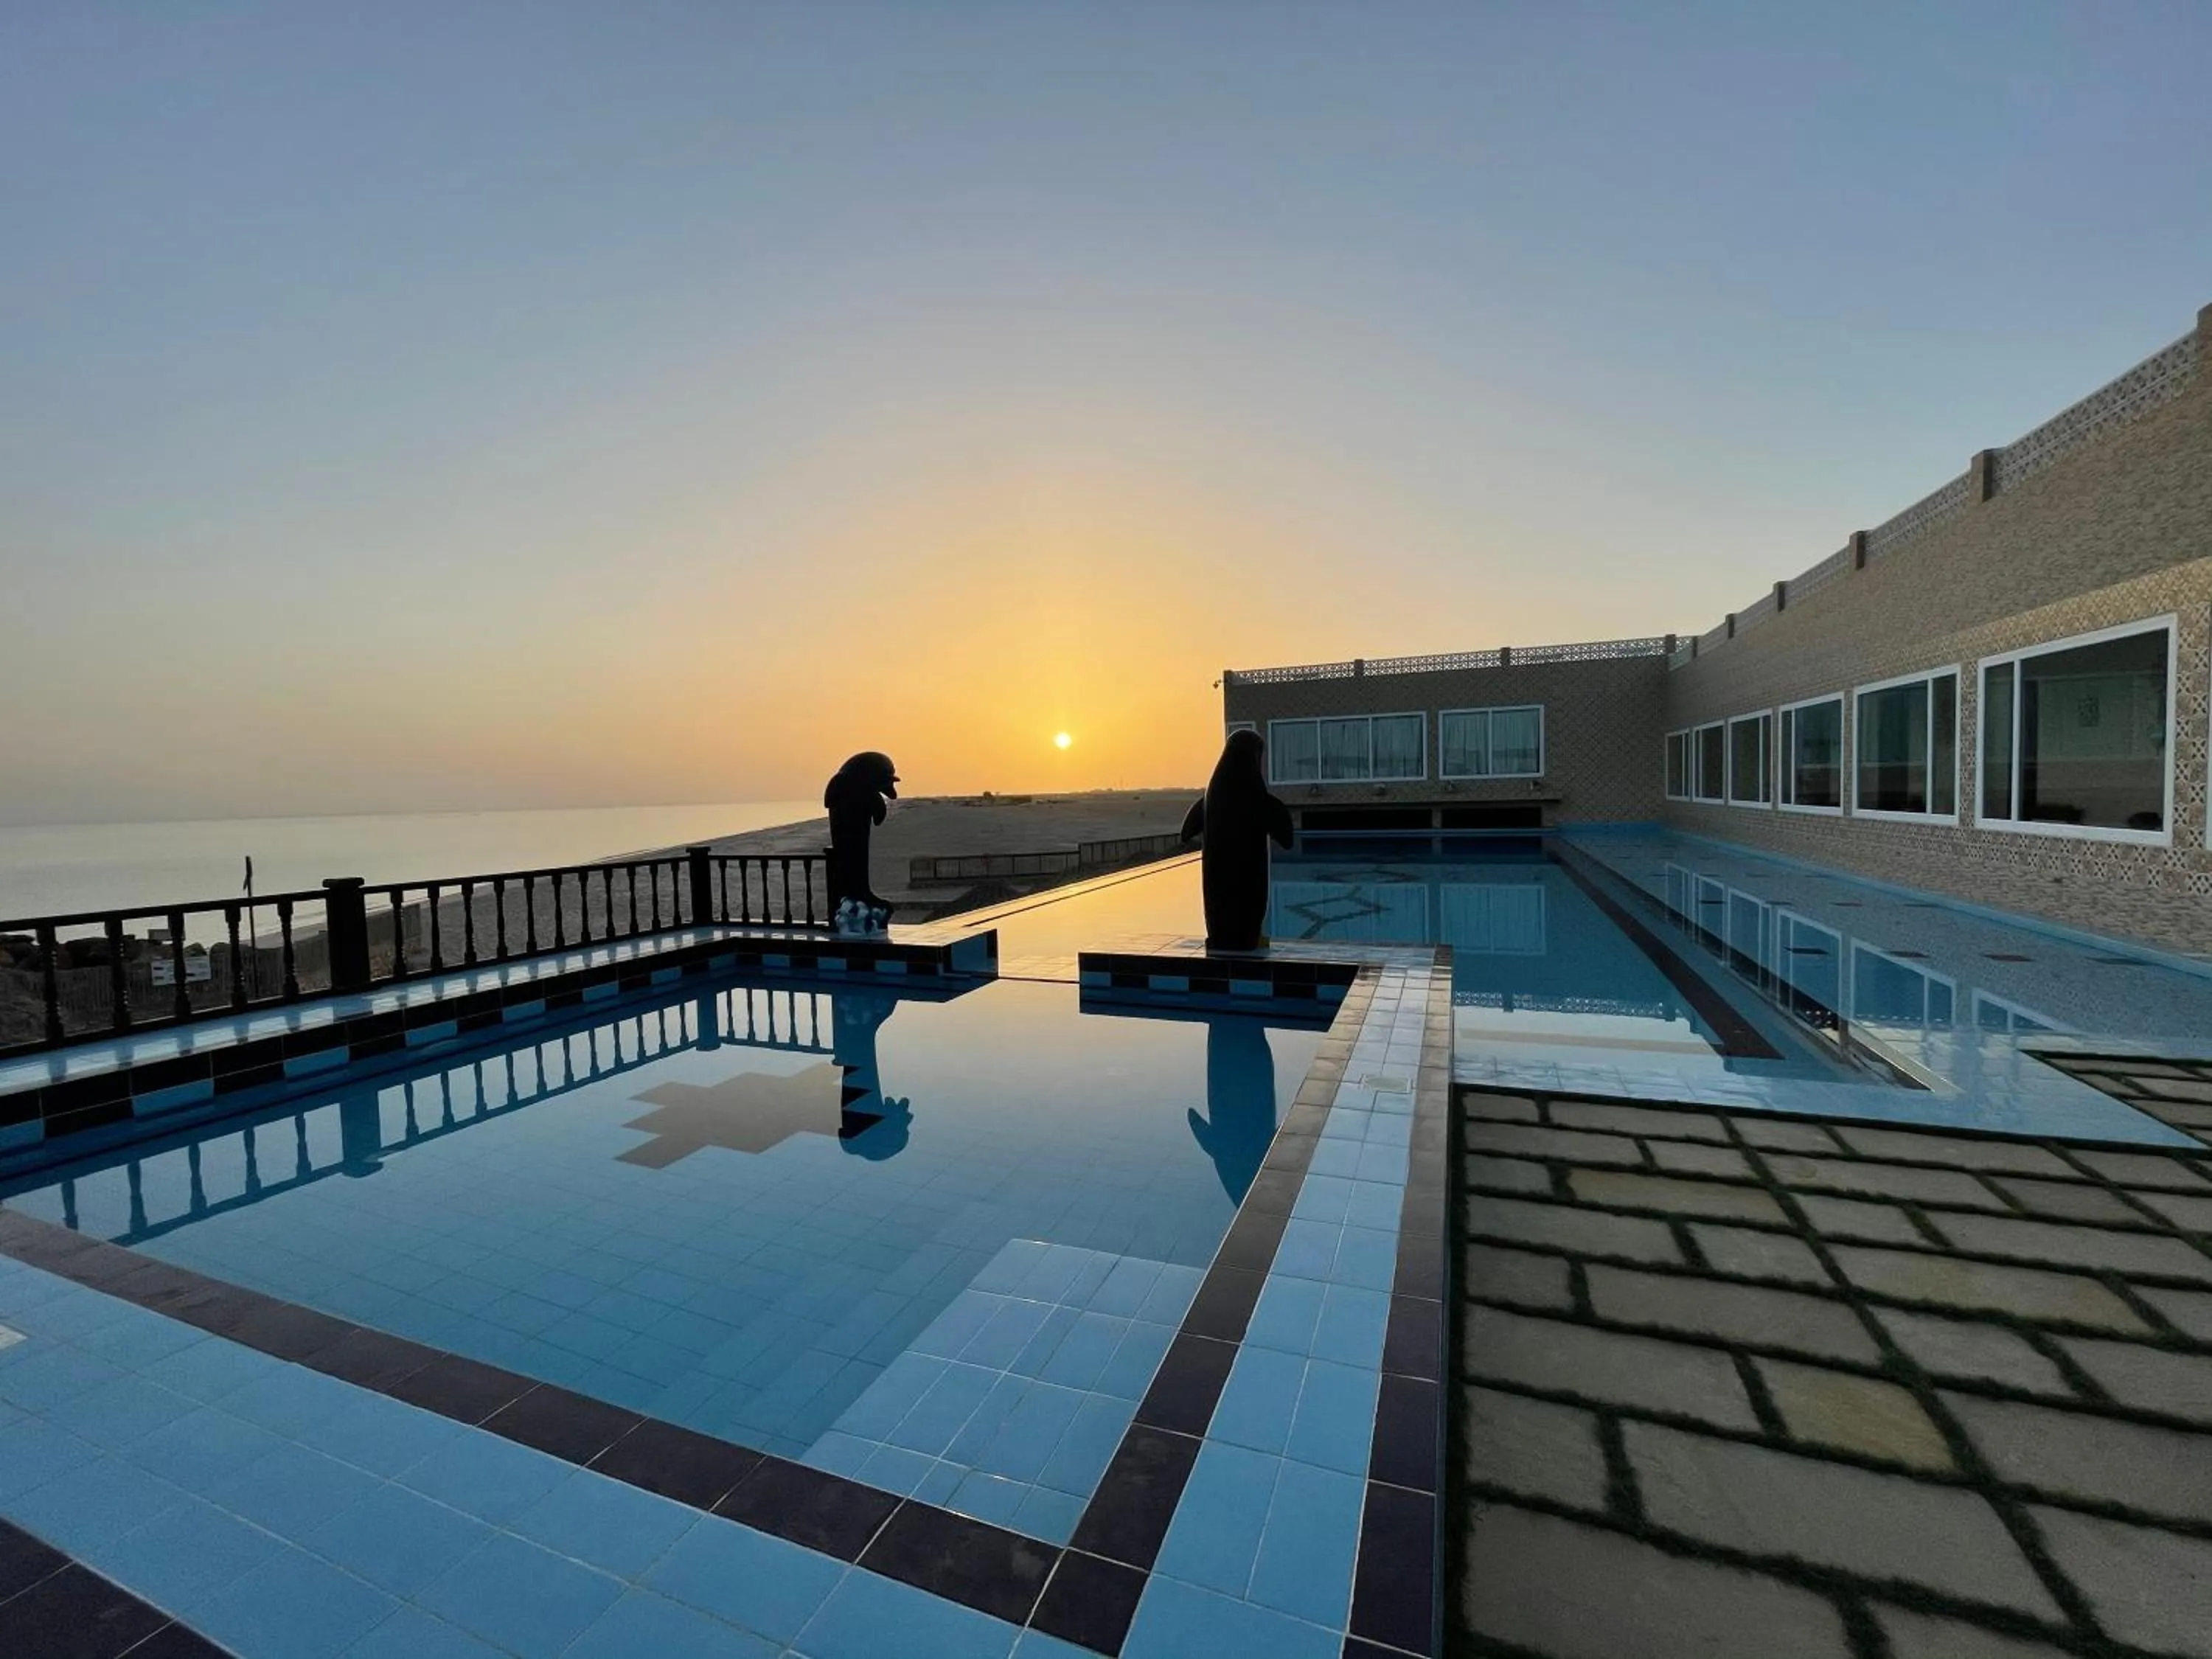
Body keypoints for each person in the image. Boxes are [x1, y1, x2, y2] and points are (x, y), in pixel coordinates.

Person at [1180, 728, 1293, 951]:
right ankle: (1249, 939)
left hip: (1217, 885)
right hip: (1249, 878)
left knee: (1219, 905)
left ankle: (1219, 938)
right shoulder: (1255, 791)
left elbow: (1187, 833)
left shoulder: (1214, 792)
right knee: (1248, 906)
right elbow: (1286, 838)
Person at [825, 751, 900, 930]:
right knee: (852, 861)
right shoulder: (853, 789)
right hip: (850, 836)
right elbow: (879, 815)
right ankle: (856, 895)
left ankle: (856, 894)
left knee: (853, 863)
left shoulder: (841, 786)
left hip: (850, 832)